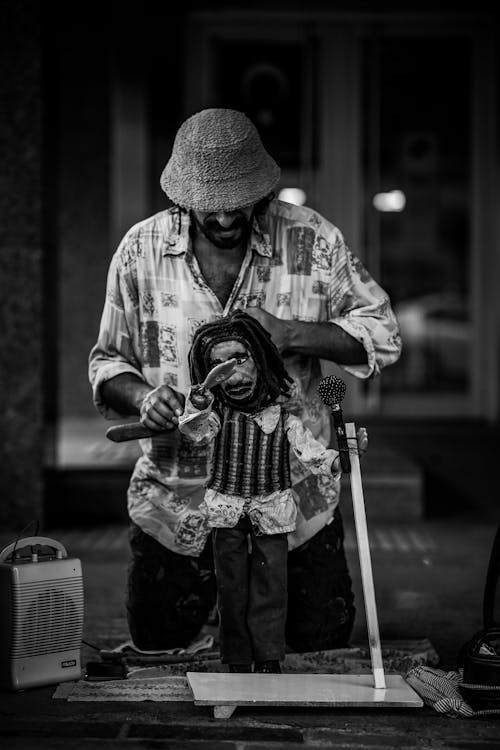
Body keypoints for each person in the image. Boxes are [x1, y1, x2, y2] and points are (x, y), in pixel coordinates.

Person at [89, 107, 401, 655]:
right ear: (183, 194)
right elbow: (107, 363)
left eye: (241, 203)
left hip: (293, 498)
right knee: (157, 639)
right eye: (212, 207)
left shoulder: (311, 238)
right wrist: (144, 398)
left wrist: (291, 333)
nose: (228, 218)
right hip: (177, 499)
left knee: (319, 641)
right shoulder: (140, 250)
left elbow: (383, 335)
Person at [177, 310, 368, 673]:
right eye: (219, 364)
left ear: (262, 360)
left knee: (271, 584)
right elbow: (195, 432)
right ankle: (235, 658)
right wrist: (198, 404)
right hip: (226, 508)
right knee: (230, 587)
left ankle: (267, 657)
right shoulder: (218, 416)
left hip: (273, 507)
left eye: (239, 358)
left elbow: (312, 453)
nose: (231, 372)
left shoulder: (284, 419)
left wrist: (337, 459)